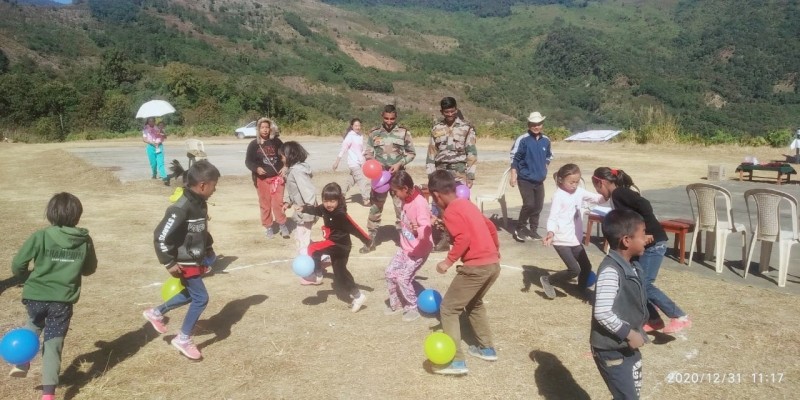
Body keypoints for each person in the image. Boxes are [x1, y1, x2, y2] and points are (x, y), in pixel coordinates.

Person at [9, 193, 98, 400]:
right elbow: (89, 269)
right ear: (77, 215)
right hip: (62, 300)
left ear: (51, 213)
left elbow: (18, 265)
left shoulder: (40, 236)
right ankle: (48, 394)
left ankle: (22, 360)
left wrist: (25, 276)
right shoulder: (84, 240)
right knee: (53, 342)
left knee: (33, 324)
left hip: (36, 296)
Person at [592, 167, 691, 334]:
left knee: (644, 284)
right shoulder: (617, 196)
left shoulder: (619, 193)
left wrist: (647, 231)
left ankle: (679, 316)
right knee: (637, 282)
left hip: (653, 244)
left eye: (597, 187)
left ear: (601, 183)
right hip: (642, 245)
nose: (598, 192)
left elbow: (644, 205)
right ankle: (654, 320)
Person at [143, 160, 220, 360]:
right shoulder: (180, 208)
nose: (215, 189)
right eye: (214, 185)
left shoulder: (200, 203)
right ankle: (183, 338)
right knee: (201, 298)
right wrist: (168, 262)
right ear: (202, 185)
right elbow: (160, 236)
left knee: (189, 294)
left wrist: (208, 248)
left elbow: (201, 230)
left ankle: (156, 312)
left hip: (195, 258)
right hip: (185, 261)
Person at [428, 170, 501, 375]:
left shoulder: (451, 211)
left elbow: (464, 238)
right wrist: (495, 250)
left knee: (449, 309)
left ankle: (455, 361)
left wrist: (447, 261)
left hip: (475, 268)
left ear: (436, 195)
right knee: (474, 303)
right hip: (492, 265)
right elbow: (491, 227)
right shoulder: (468, 204)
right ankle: (486, 348)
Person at [591, 209, 648, 400]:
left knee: (631, 394)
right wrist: (629, 333)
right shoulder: (611, 271)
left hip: (625, 347)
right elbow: (602, 312)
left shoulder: (631, 265)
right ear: (626, 241)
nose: (646, 238)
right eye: (643, 234)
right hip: (612, 351)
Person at [298, 183, 371, 312]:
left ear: (339, 200)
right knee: (340, 274)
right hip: (336, 245)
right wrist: (304, 208)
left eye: (332, 201)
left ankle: (317, 275)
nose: (329, 204)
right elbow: (315, 210)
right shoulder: (324, 209)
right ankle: (358, 296)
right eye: (326, 201)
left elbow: (355, 228)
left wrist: (367, 240)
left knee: (313, 248)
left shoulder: (340, 215)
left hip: (339, 245)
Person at [540, 164, 607, 300]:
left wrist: (609, 193)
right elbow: (553, 217)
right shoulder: (559, 196)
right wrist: (551, 233)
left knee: (586, 267)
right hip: (561, 240)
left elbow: (597, 199)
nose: (574, 185)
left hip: (575, 239)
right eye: (571, 182)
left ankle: (580, 289)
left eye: (577, 182)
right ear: (561, 180)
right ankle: (548, 280)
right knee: (574, 270)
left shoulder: (579, 192)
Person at [360, 104, 416, 253]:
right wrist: (374, 162)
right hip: (379, 178)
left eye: (392, 119)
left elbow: (411, 153)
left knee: (401, 209)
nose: (389, 122)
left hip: (398, 177)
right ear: (382, 116)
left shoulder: (404, 132)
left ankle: (406, 241)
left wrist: (400, 163)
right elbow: (368, 153)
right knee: (375, 208)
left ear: (396, 117)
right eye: (386, 118)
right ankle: (370, 240)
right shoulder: (374, 133)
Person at [426, 97, 478, 252]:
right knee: (440, 206)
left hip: (459, 172)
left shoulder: (467, 128)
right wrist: (431, 175)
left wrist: (470, 175)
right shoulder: (436, 128)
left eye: (452, 111)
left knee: (462, 205)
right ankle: (444, 238)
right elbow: (431, 153)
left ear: (456, 109)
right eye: (446, 112)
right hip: (441, 172)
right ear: (442, 112)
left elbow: (471, 152)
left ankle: (466, 239)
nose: (450, 114)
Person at [384, 171, 433, 322]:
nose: (395, 194)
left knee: (403, 279)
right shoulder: (406, 198)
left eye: (396, 191)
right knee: (390, 273)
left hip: (419, 250)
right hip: (405, 247)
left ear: (405, 188)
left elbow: (426, 227)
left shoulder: (419, 204)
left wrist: (417, 231)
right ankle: (397, 303)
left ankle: (412, 307)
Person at [510, 111, 553, 242]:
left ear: (542, 124)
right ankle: (519, 228)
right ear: (529, 125)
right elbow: (515, 158)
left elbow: (549, 156)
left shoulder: (546, 140)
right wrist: (513, 175)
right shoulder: (523, 139)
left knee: (538, 206)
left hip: (539, 180)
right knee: (529, 204)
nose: (536, 126)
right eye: (533, 124)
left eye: (538, 124)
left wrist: (545, 166)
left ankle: (533, 231)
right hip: (525, 178)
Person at [245, 117, 290, 239]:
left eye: (267, 127)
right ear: (258, 129)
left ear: (271, 129)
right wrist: (256, 168)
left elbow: (286, 155)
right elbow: (248, 161)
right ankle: (268, 227)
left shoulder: (277, 142)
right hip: (262, 179)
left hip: (277, 178)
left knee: (278, 203)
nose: (265, 130)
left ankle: (282, 224)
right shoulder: (254, 144)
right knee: (265, 204)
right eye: (262, 127)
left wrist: (285, 167)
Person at [280, 141, 318, 255]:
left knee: (303, 238)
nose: (281, 159)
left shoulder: (297, 171)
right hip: (302, 210)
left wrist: (309, 207)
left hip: (306, 210)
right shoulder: (294, 170)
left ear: (289, 156)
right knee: (301, 236)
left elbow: (307, 189)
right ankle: (313, 255)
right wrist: (288, 202)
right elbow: (294, 190)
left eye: (282, 156)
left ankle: (310, 259)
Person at [333, 118, 371, 206]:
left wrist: (365, 156)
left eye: (359, 125)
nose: (358, 127)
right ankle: (366, 199)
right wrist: (337, 162)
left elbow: (360, 150)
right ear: (352, 126)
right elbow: (343, 150)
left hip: (360, 162)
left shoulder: (360, 135)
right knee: (362, 180)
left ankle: (340, 195)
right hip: (353, 163)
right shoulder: (350, 136)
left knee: (350, 181)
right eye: (356, 125)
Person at [143, 117, 169, 185]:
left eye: (152, 121)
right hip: (150, 147)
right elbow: (144, 139)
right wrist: (151, 142)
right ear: (148, 122)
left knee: (160, 162)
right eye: (150, 121)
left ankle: (164, 177)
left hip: (159, 146)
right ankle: (154, 174)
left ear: (154, 122)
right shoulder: (145, 129)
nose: (151, 122)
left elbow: (165, 137)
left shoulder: (158, 128)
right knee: (153, 164)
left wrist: (162, 132)